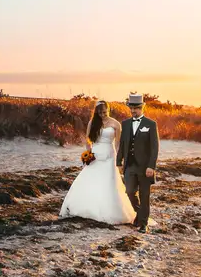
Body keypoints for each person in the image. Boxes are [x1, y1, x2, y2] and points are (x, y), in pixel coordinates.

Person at [59, 100, 135, 224]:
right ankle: (86, 207)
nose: (102, 114)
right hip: (95, 155)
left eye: (104, 112)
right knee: (90, 179)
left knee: (109, 183)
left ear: (108, 110)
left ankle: (109, 211)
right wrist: (88, 154)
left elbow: (117, 144)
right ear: (97, 112)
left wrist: (118, 160)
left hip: (109, 156)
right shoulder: (93, 122)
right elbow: (87, 140)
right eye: (100, 113)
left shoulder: (116, 124)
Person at [117, 91, 159, 231]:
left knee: (144, 195)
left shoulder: (151, 124)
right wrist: (119, 162)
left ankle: (143, 223)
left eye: (136, 108)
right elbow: (123, 144)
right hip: (130, 165)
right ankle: (140, 214)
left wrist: (151, 166)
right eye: (132, 108)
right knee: (129, 192)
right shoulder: (126, 123)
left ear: (142, 108)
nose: (133, 111)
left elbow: (154, 147)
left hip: (145, 167)